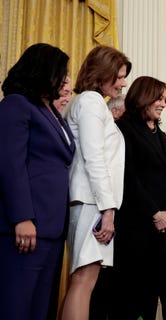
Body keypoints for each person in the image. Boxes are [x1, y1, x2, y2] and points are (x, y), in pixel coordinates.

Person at [0, 43, 75, 320]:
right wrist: (22, 217)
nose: (64, 79)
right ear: (43, 71)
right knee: (17, 306)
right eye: (60, 72)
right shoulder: (16, 104)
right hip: (27, 225)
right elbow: (10, 165)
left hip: (51, 227)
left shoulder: (48, 110)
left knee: (40, 309)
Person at [62, 46, 131, 320]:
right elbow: (94, 158)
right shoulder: (90, 101)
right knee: (83, 280)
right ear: (103, 73)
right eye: (120, 76)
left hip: (93, 201)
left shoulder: (90, 102)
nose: (124, 83)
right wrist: (108, 209)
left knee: (85, 279)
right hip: (92, 201)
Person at [111, 76, 166, 320]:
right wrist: (154, 212)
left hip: (159, 229)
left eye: (165, 100)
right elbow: (128, 176)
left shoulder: (164, 138)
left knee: (150, 295)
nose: (162, 104)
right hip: (133, 226)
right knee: (128, 296)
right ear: (143, 97)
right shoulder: (124, 128)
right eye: (159, 98)